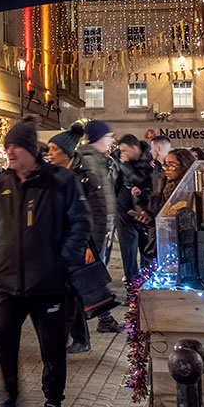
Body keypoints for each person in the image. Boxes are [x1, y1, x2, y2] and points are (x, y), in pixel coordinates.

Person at [0, 120, 90, 407]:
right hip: (7, 282)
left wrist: (61, 262)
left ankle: (53, 403)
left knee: (52, 347)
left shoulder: (61, 181)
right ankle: (11, 401)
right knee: (2, 339)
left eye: (14, 147)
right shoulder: (0, 185)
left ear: (30, 149)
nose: (8, 152)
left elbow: (80, 223)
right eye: (7, 147)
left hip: (48, 283)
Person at [45, 127, 111, 354]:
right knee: (67, 293)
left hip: (78, 244)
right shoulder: (51, 176)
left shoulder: (84, 177)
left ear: (66, 152)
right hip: (57, 244)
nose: (50, 153)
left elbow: (97, 215)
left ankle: (72, 339)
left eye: (54, 149)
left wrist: (90, 246)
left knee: (70, 293)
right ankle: (78, 338)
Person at [83, 120, 122, 333]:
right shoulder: (87, 163)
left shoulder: (103, 162)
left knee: (97, 277)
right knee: (89, 279)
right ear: (98, 137)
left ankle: (103, 320)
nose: (112, 140)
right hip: (93, 234)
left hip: (103, 232)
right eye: (109, 136)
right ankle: (81, 327)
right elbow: (87, 204)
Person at [115, 134, 157, 284]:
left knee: (146, 250)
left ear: (135, 148)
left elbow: (141, 180)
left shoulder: (149, 159)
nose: (122, 154)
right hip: (123, 209)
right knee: (128, 252)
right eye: (121, 151)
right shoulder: (118, 158)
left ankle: (147, 284)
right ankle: (132, 288)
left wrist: (125, 165)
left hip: (143, 210)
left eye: (125, 150)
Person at [155, 148, 199, 218]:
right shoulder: (168, 188)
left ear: (184, 166)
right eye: (166, 165)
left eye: (171, 165)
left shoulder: (191, 190)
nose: (167, 169)